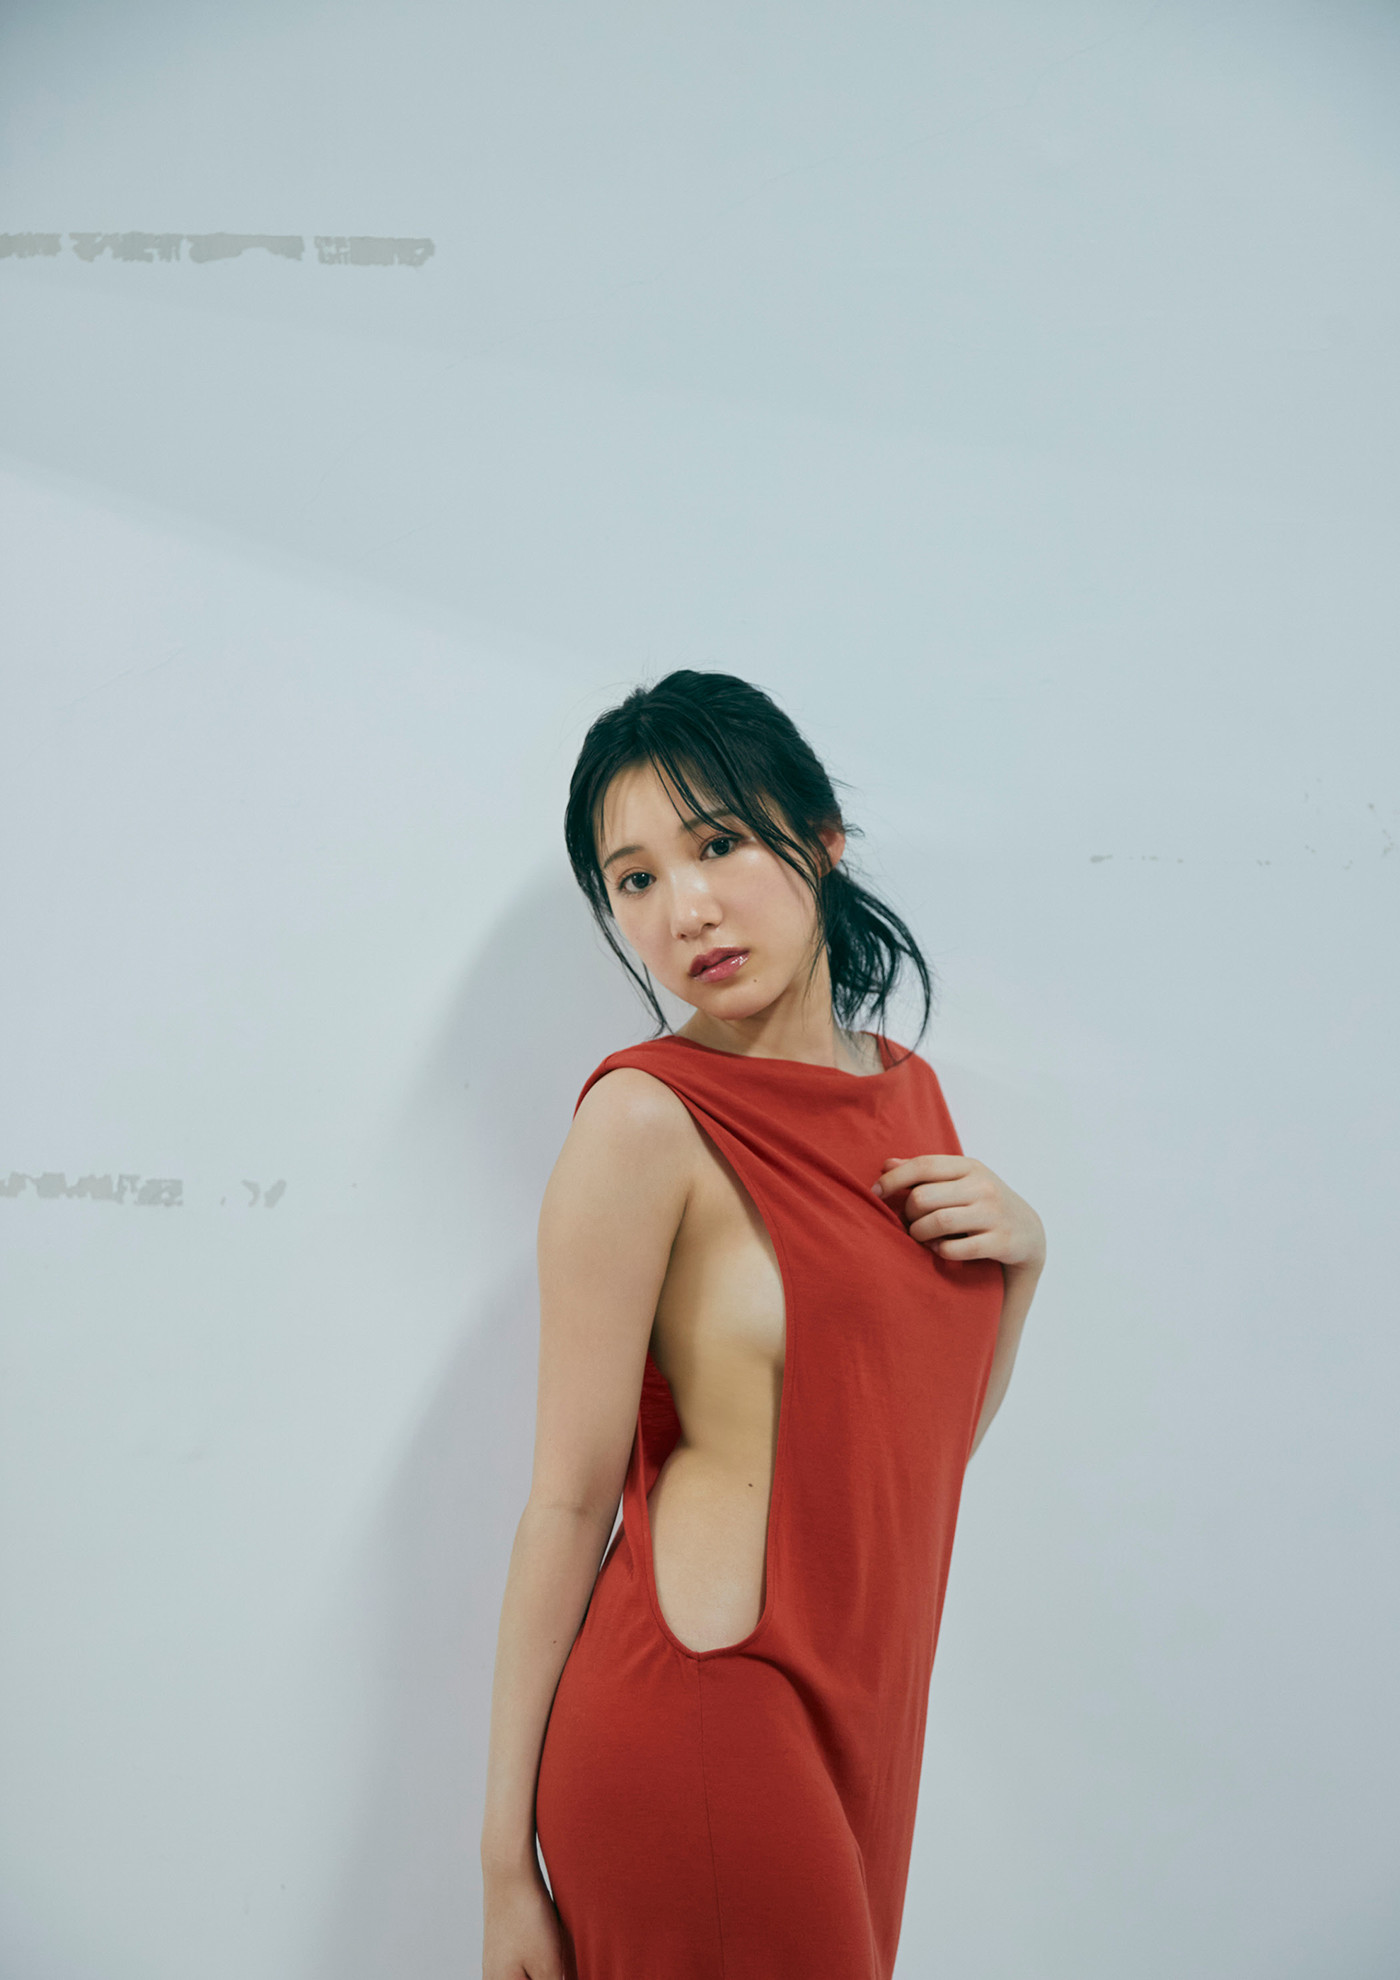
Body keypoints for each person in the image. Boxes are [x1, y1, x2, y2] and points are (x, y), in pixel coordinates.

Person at [480, 671, 1045, 1980]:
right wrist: (506, 1866)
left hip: (863, 1724)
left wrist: (1023, 1268)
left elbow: (910, 1449)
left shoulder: (909, 1094)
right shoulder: (642, 1122)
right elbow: (566, 1500)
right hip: (704, 1719)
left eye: (720, 843)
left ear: (821, 837)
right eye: (634, 879)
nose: (684, 908)